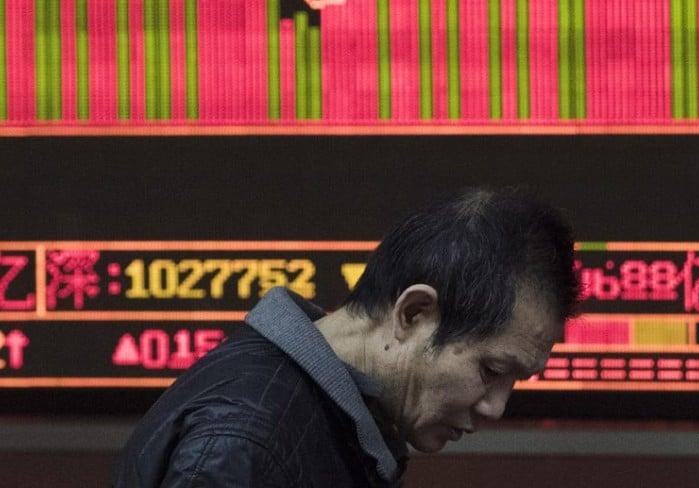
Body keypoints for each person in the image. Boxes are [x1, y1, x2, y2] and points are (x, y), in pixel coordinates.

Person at [111, 186, 580, 487]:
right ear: (414, 314)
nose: (495, 407)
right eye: (491, 370)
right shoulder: (246, 446)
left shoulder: (331, 422)